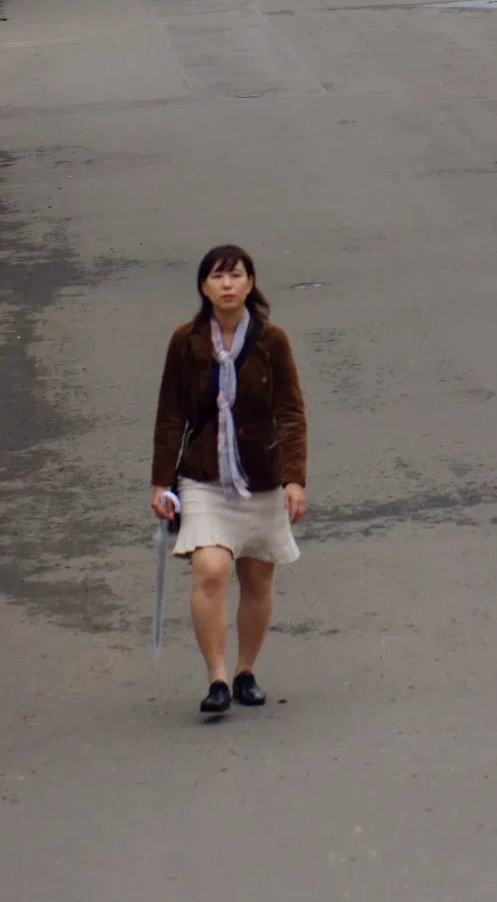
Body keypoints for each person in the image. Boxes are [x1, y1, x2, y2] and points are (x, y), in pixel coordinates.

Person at [150, 245, 306, 716]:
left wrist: (294, 478)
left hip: (260, 477)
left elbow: (291, 413)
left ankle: (245, 671)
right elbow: (170, 414)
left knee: (257, 577)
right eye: (217, 277)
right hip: (203, 477)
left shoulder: (272, 341)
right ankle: (216, 677)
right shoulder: (186, 341)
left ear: (251, 283)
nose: (227, 285)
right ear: (204, 287)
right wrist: (161, 483)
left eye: (236, 275)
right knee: (211, 571)